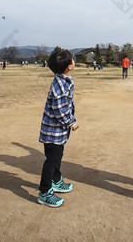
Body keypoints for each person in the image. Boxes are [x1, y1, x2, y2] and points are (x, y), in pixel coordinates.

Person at [38, 49, 79, 208]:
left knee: (57, 156)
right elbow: (60, 108)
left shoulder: (63, 80)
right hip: (53, 131)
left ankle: (56, 180)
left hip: (57, 131)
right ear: (69, 66)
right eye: (73, 59)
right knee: (51, 160)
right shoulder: (61, 84)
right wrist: (71, 122)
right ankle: (44, 191)